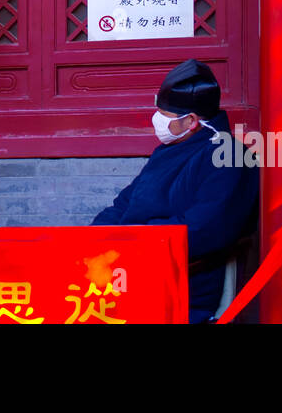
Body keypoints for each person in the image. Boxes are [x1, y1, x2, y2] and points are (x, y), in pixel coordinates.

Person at [92, 59, 258, 322]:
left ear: (191, 120)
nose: (156, 120)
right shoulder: (168, 150)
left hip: (180, 282)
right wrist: (93, 240)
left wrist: (133, 243)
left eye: (165, 116)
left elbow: (204, 230)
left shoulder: (229, 157)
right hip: (130, 264)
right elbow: (124, 205)